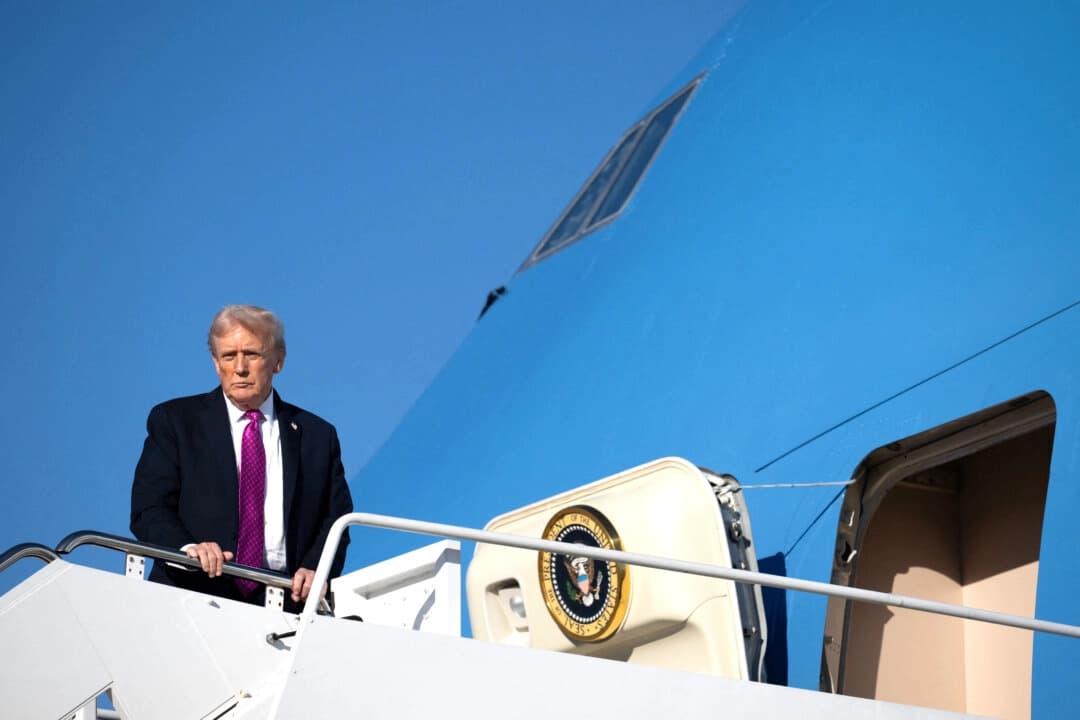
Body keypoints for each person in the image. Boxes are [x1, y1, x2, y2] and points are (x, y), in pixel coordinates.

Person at [130, 304, 353, 611]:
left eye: (251, 354)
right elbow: (149, 508)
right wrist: (188, 549)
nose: (240, 368)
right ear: (215, 362)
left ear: (278, 361)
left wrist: (316, 568)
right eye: (228, 356)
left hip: (286, 606)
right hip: (191, 596)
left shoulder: (318, 435)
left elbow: (336, 520)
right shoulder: (176, 422)